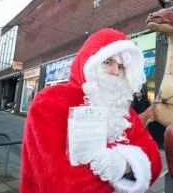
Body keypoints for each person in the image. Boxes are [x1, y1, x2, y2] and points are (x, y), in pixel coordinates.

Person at [20, 28, 162, 193]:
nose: (116, 71)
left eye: (122, 66)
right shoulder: (51, 102)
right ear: (90, 62)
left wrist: (125, 166)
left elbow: (155, 162)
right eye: (108, 62)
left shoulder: (125, 112)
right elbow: (62, 183)